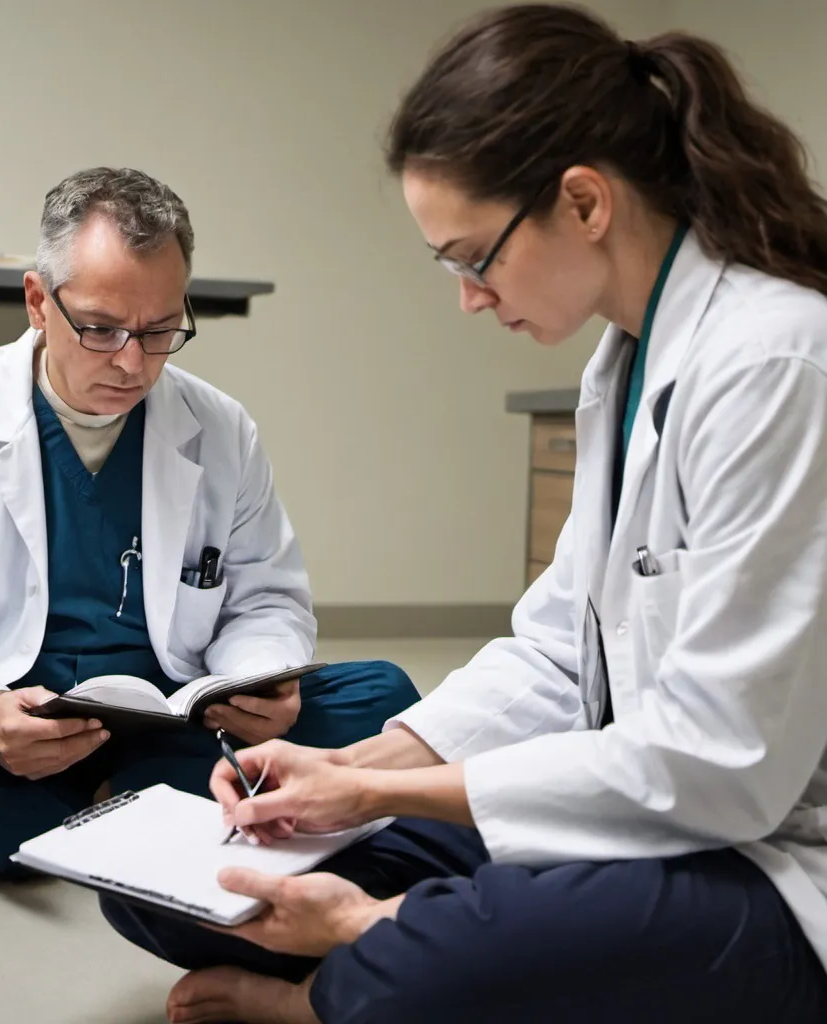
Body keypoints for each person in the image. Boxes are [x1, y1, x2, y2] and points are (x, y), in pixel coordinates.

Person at [99, 7, 827, 1022]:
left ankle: (351, 958)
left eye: (472, 256)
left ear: (582, 202)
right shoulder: (623, 365)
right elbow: (554, 654)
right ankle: (377, 939)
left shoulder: (778, 364)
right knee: (182, 890)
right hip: (643, 816)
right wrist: (349, 767)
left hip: (768, 860)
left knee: (435, 962)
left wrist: (375, 814)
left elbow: (718, 767)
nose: (468, 298)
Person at [0, 167, 417, 904]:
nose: (132, 361)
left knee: (382, 697)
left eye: (160, 331)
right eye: (101, 329)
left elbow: (267, 601)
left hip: (167, 725)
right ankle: (111, 820)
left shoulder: (221, 430)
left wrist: (261, 679)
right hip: (0, 735)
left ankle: (4, 836)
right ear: (38, 301)